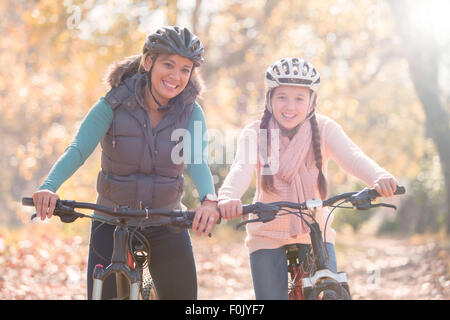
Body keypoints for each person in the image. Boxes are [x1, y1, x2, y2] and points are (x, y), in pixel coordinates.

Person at [32, 26, 220, 299]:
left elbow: (197, 161)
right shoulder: (113, 104)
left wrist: (209, 200)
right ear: (148, 62)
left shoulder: (191, 112)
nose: (176, 76)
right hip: (112, 220)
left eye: (185, 69)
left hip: (166, 220)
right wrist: (49, 186)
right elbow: (78, 150)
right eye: (168, 64)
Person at [217, 57, 399, 300]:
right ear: (270, 99)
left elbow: (352, 157)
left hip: (315, 229)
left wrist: (379, 177)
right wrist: (228, 197)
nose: (290, 106)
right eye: (282, 97)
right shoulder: (255, 133)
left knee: (332, 294)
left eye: (299, 98)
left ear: (312, 102)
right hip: (266, 233)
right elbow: (241, 168)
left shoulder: (325, 129)